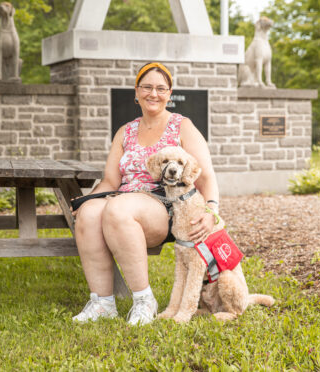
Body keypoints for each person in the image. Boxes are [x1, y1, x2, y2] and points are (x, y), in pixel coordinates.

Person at [72, 62, 220, 325]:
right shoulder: (125, 132)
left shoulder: (181, 126)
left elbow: (206, 175)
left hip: (163, 203)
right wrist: (87, 200)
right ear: (136, 92)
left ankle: (144, 300)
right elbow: (110, 181)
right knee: (89, 214)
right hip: (123, 199)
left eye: (161, 88)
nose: (154, 93)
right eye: (147, 87)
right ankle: (102, 302)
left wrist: (211, 211)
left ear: (170, 93)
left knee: (118, 208)